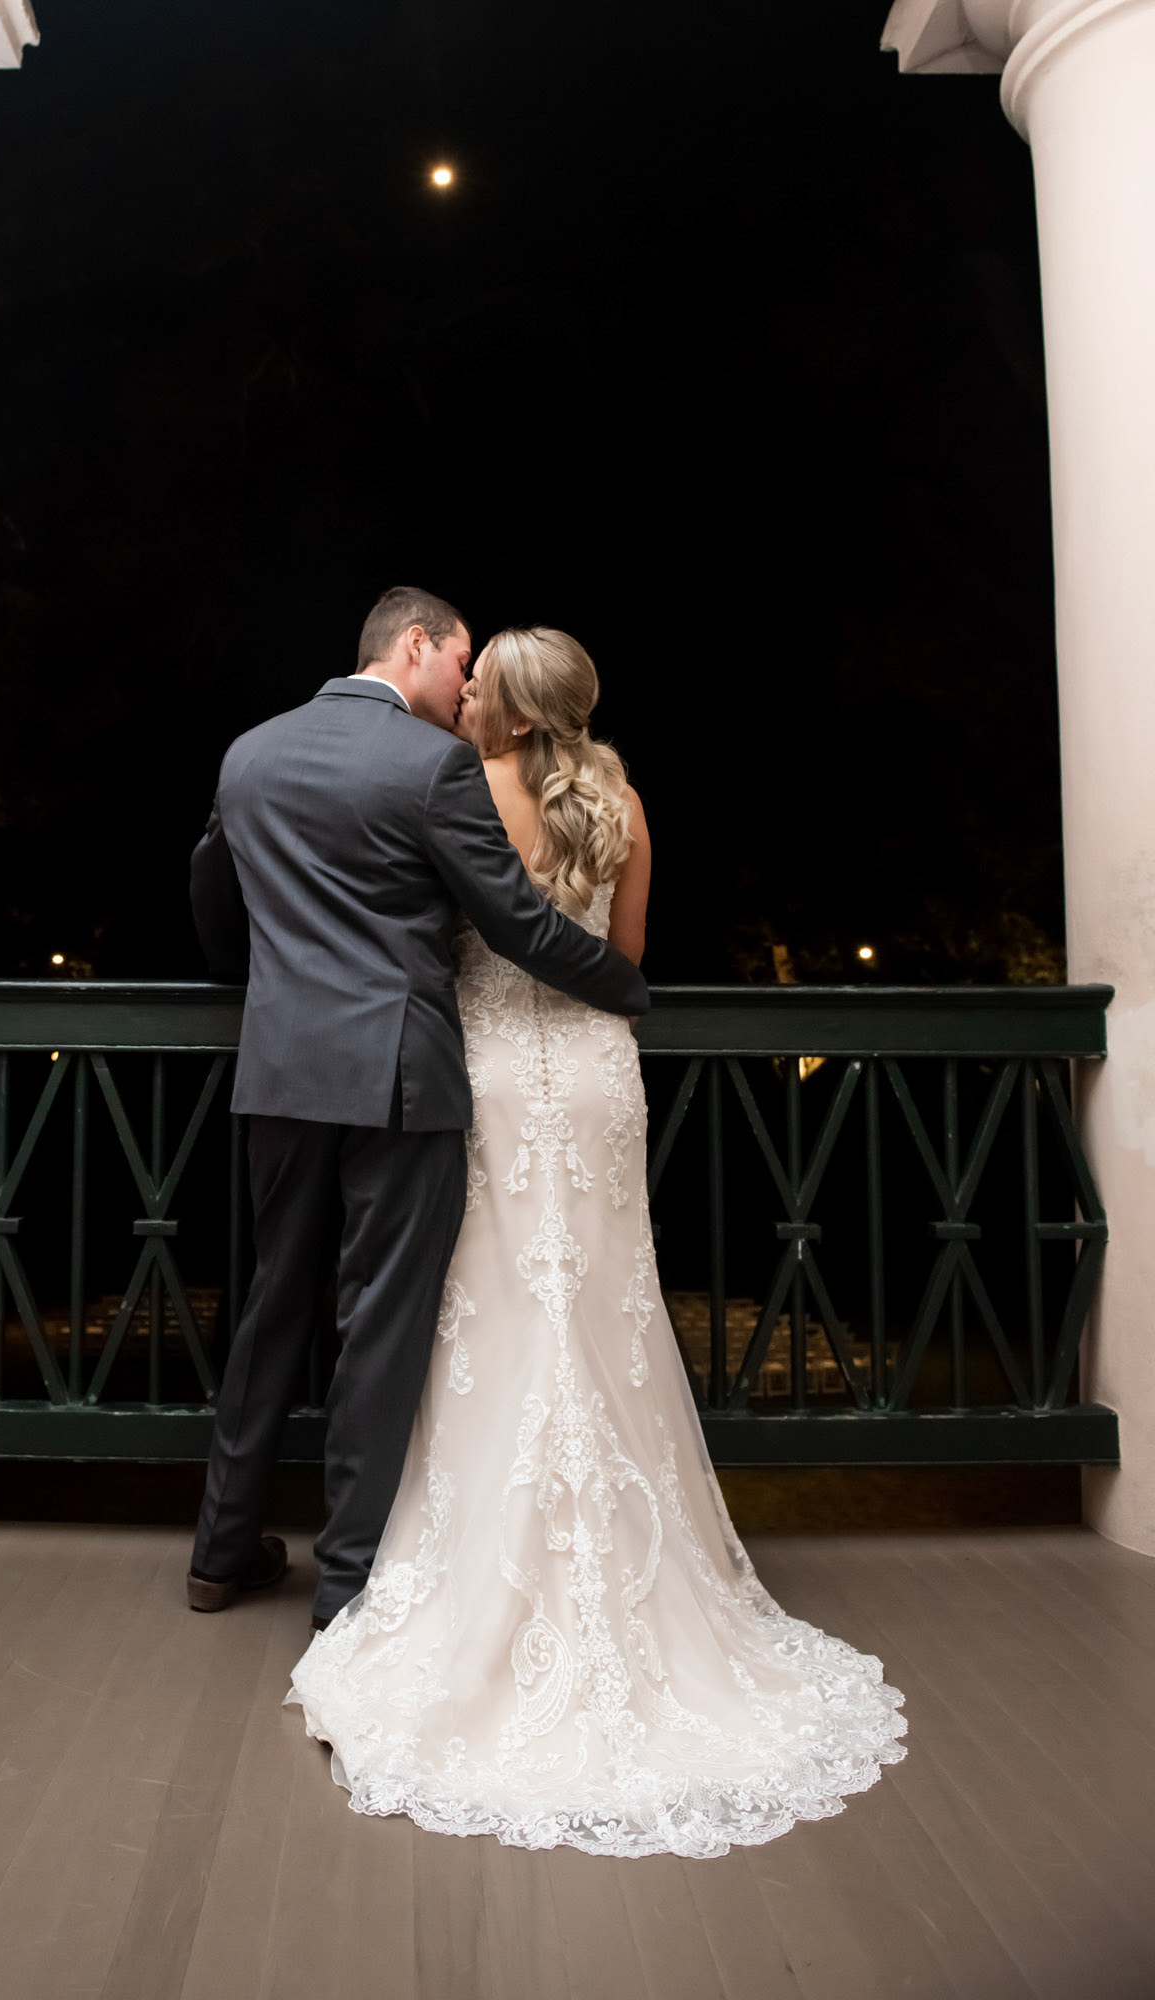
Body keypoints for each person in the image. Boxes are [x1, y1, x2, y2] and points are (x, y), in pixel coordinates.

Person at [287, 627, 906, 1858]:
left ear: (509, 713)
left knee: (498, 1308)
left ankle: (474, 1578)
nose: (457, 697)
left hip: (497, 1080)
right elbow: (623, 959)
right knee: (606, 1311)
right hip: (593, 1077)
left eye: (475, 687)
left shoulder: (460, 784)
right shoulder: (619, 797)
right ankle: (648, 1580)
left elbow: (454, 931)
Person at [186, 588, 650, 1627]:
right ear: (417, 644)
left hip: (281, 1068)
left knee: (270, 1306)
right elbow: (517, 924)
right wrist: (628, 990)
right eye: (461, 661)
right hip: (399, 1073)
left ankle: (219, 1550)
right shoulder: (429, 763)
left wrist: (264, 981)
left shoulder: (249, 754)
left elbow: (215, 905)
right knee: (379, 1320)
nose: (465, 688)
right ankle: (346, 1582)